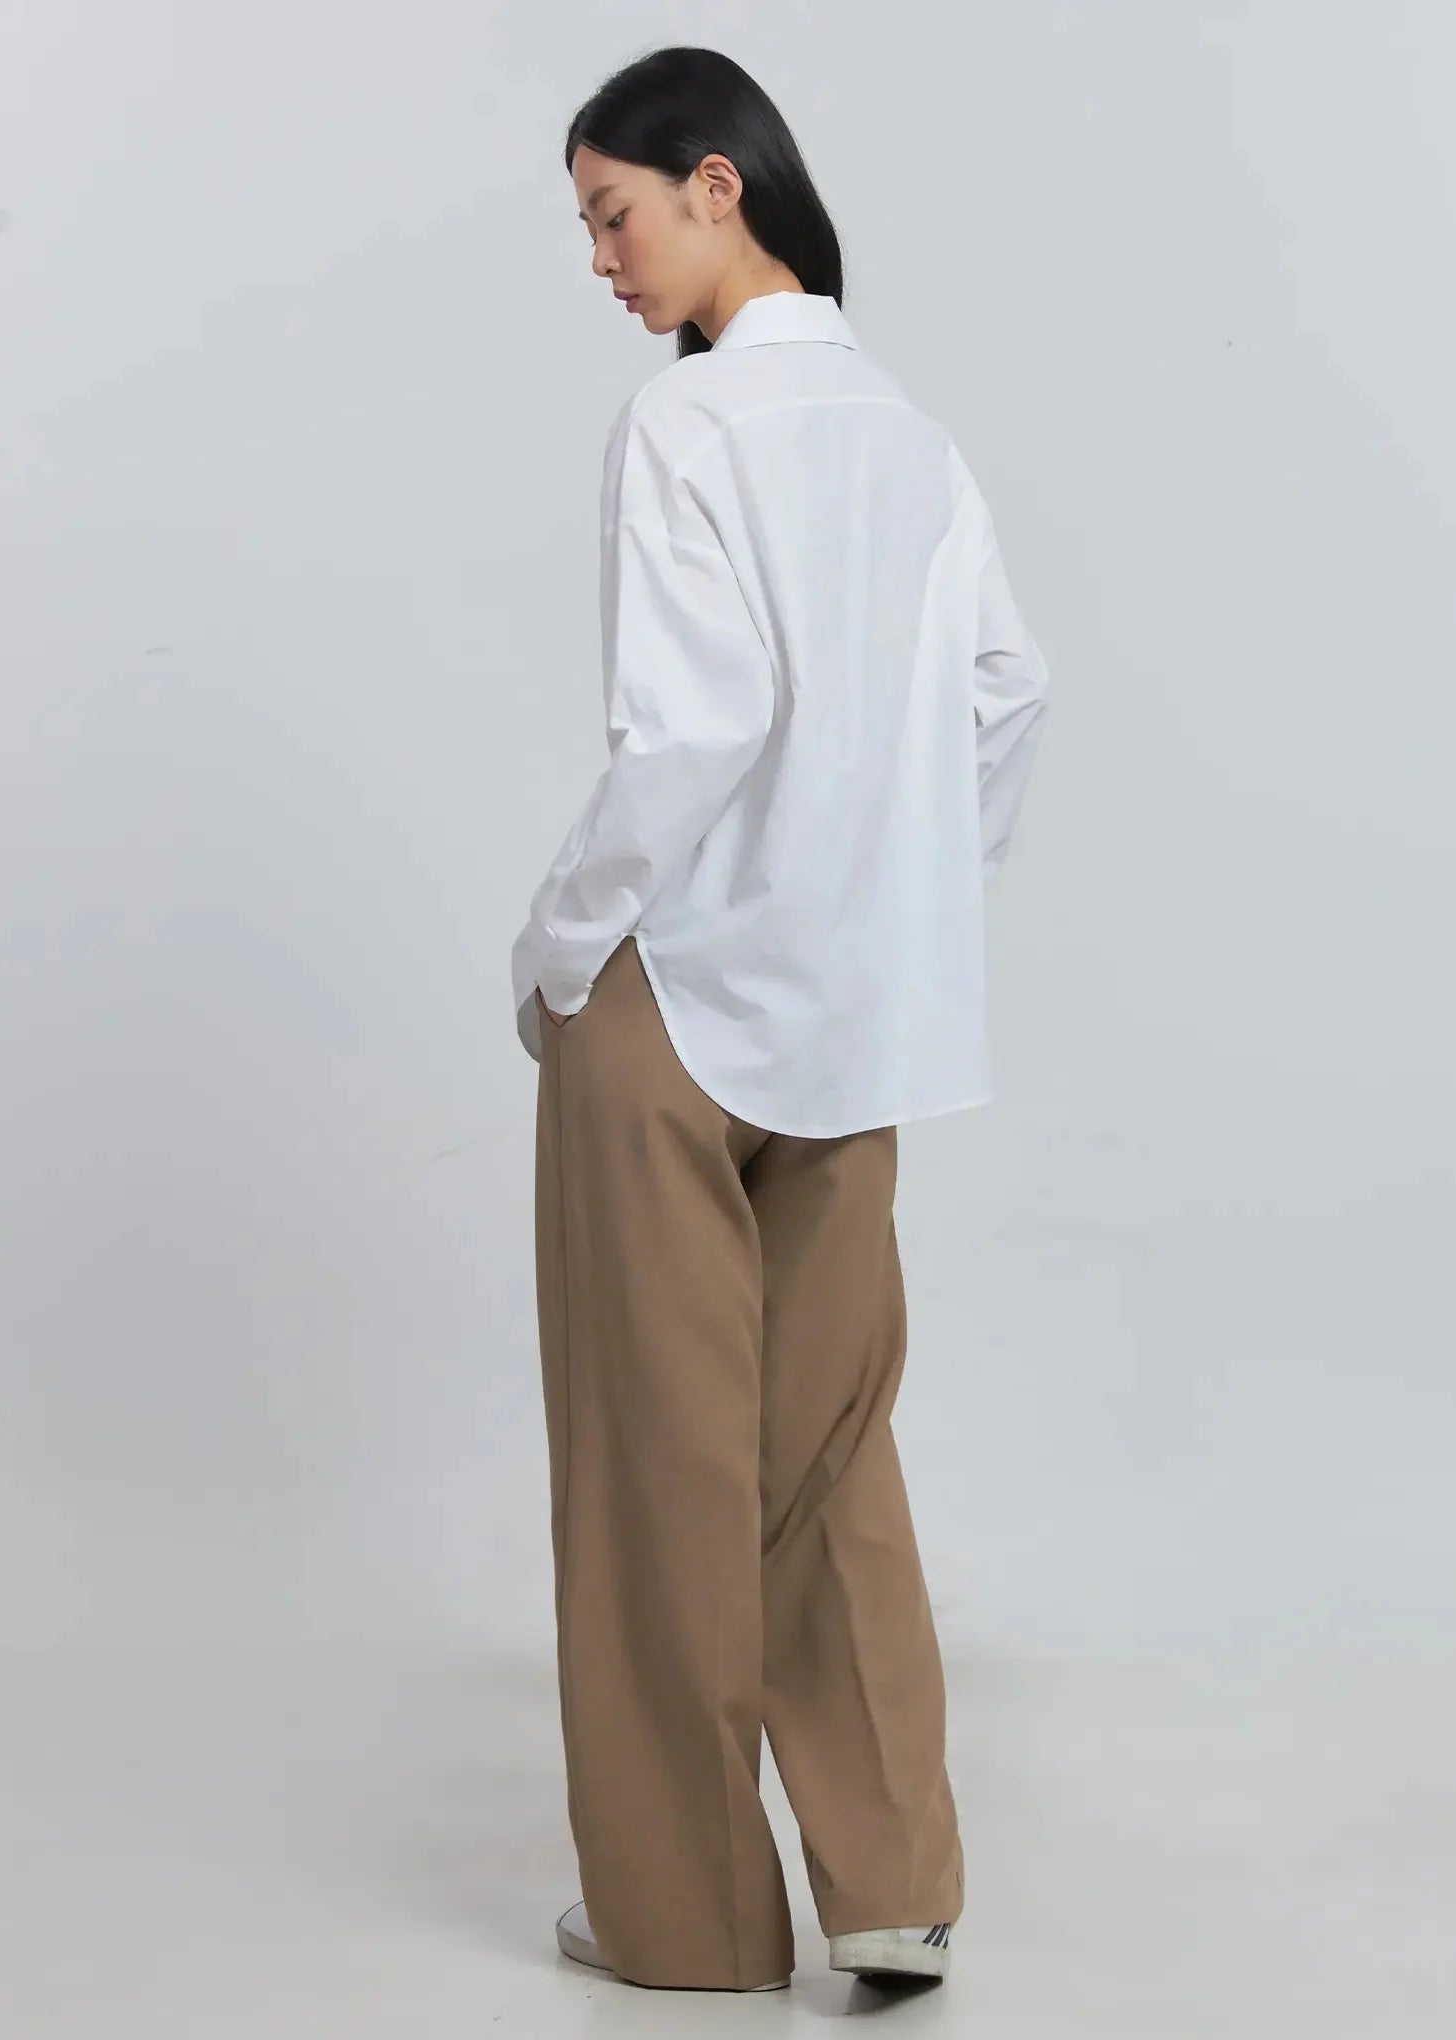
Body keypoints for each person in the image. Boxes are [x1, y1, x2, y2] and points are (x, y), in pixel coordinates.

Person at [509, 44, 1051, 1996]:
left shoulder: (689, 423)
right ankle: (895, 1886)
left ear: (716, 183)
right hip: (852, 1018)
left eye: (612, 214)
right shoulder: (911, 435)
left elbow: (694, 728)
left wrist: (558, 948)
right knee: (825, 1454)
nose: (602, 260)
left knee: (654, 1468)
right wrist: (891, 889)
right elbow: (1011, 693)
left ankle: (683, 1919)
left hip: (671, 1008)